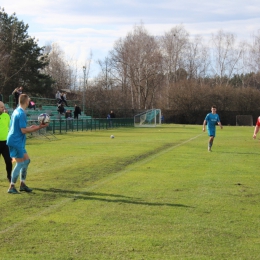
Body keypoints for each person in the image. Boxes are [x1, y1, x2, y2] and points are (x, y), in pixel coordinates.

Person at [6, 94, 48, 194]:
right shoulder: (21, 113)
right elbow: (23, 130)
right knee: (20, 163)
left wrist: (33, 127)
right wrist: (39, 127)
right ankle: (11, 187)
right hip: (15, 141)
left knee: (27, 161)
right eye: (29, 100)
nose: (29, 102)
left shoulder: (17, 110)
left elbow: (18, 127)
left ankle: (22, 184)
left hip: (17, 140)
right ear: (26, 102)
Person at [0, 101, 12, 182]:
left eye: (3, 107)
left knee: (8, 160)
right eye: (1, 107)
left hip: (5, 143)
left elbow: (10, 127)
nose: (3, 108)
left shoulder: (6, 116)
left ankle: (9, 176)